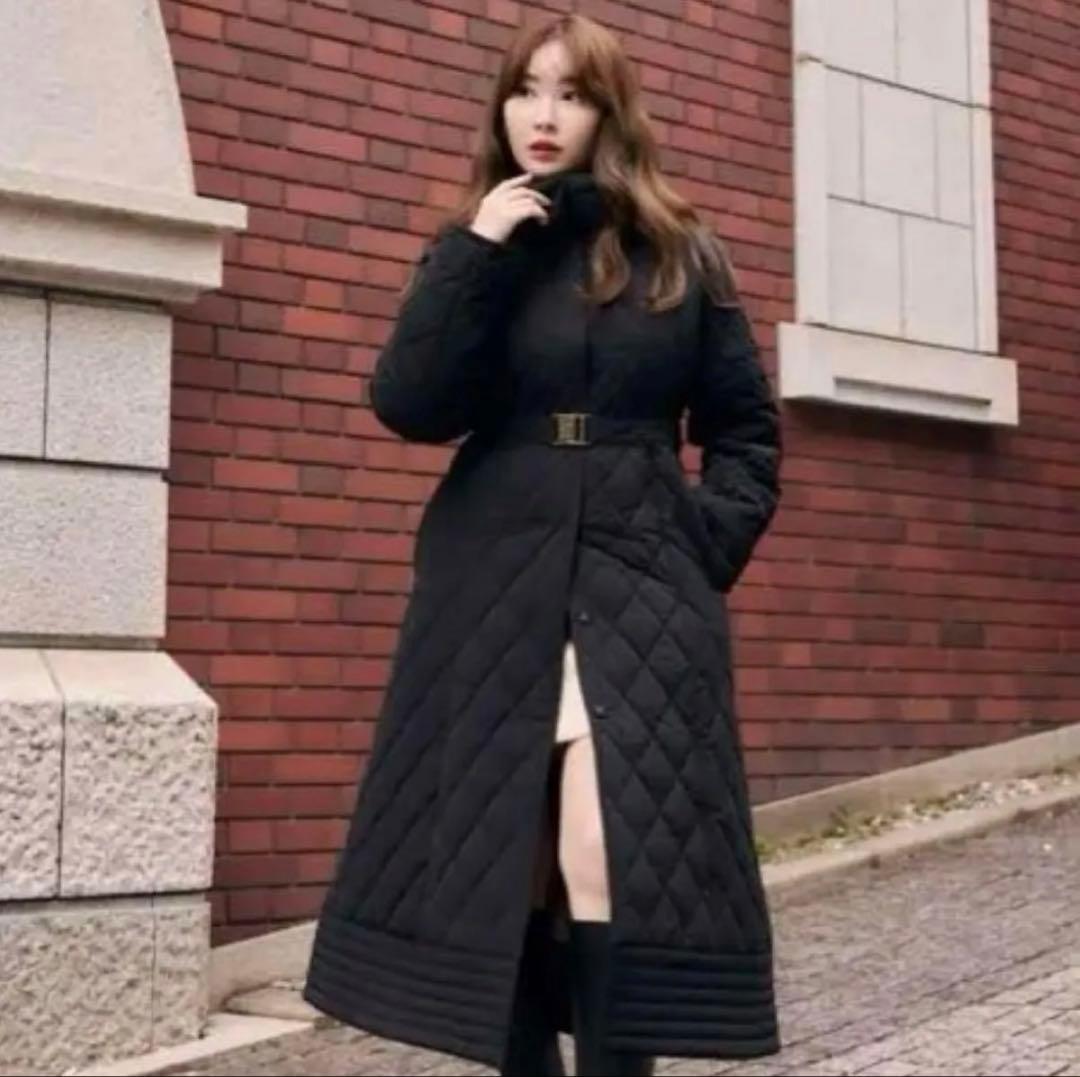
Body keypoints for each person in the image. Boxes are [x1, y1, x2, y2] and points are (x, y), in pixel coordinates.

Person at [303, 13, 783, 1077]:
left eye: (572, 93)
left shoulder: (681, 251)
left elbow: (745, 430)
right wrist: (475, 253)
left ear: (611, 114)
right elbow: (411, 403)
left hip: (642, 579)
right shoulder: (477, 248)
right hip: (493, 581)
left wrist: (702, 543)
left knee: (609, 849)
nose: (545, 115)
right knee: (505, 858)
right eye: (527, 90)